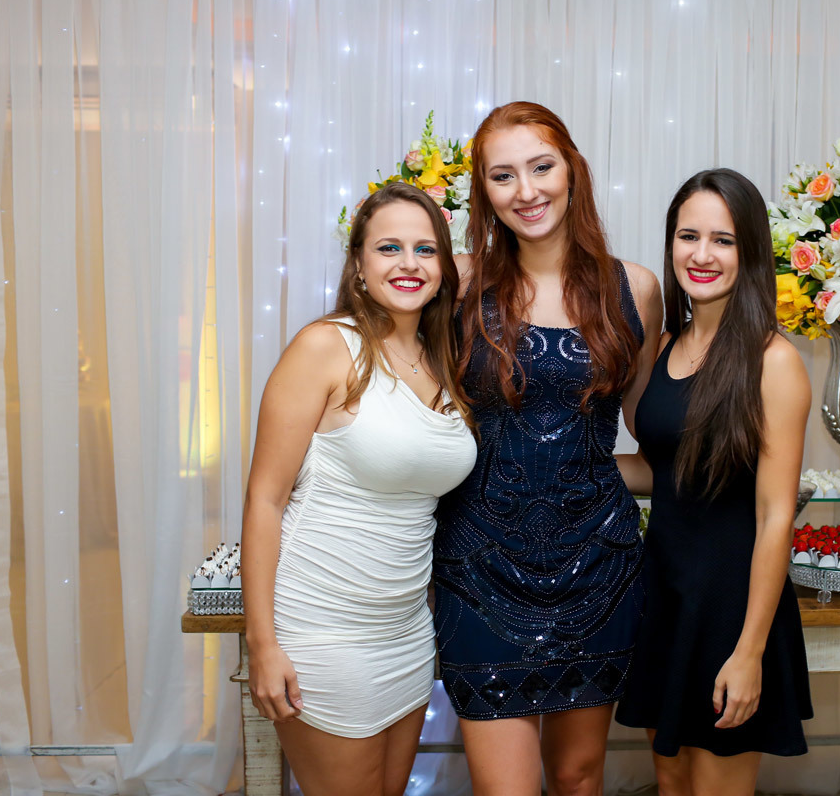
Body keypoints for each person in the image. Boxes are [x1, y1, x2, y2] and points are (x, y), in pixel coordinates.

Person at [433, 101, 662, 796]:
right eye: (503, 175)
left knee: (577, 775)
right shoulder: (458, 282)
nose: (526, 191)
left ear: (572, 172)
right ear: (483, 191)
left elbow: (653, 433)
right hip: (478, 567)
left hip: (599, 566)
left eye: (541, 167)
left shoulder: (635, 289)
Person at [241, 183, 477, 796]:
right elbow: (265, 500)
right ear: (359, 266)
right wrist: (262, 644)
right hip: (323, 628)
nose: (408, 263)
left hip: (407, 631)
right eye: (388, 248)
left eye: (426, 249)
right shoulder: (326, 346)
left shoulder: (443, 359)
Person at [614, 169, 814, 796]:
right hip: (665, 597)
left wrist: (749, 650)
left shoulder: (773, 361)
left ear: (749, 250)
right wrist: (565, 465)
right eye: (688, 236)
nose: (702, 255)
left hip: (731, 609)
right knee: (670, 782)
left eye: (723, 240)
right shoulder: (664, 346)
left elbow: (775, 515)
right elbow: (666, 472)